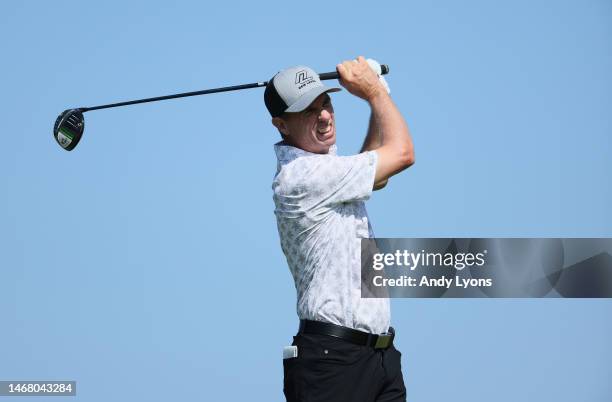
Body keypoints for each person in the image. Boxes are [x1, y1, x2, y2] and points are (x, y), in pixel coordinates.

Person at [264, 56, 415, 402]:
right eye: (308, 111)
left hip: (379, 358)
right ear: (281, 125)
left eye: (326, 102)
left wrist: (378, 94)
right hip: (332, 363)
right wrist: (374, 92)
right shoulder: (300, 177)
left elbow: (378, 171)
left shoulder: (328, 172)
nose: (325, 116)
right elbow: (402, 153)